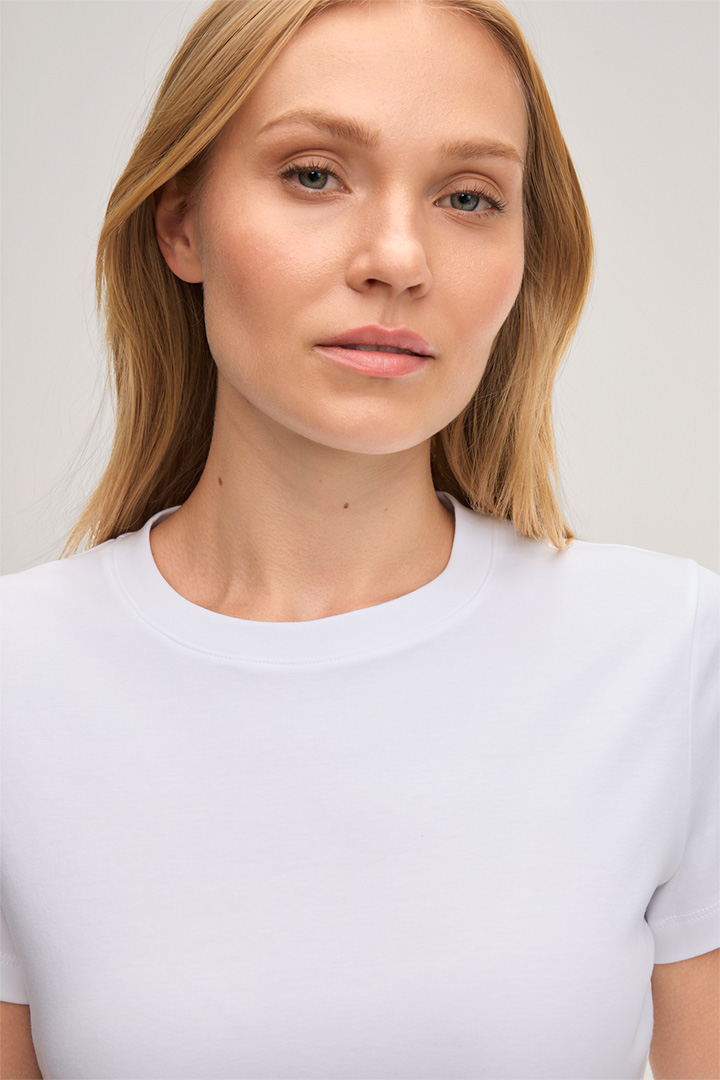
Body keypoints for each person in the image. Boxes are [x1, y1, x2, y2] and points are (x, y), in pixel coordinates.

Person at [1, 0, 717, 1077]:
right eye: (314, 175)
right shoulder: (18, 678)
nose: (397, 258)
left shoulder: (670, 653)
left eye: (468, 197)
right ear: (180, 225)